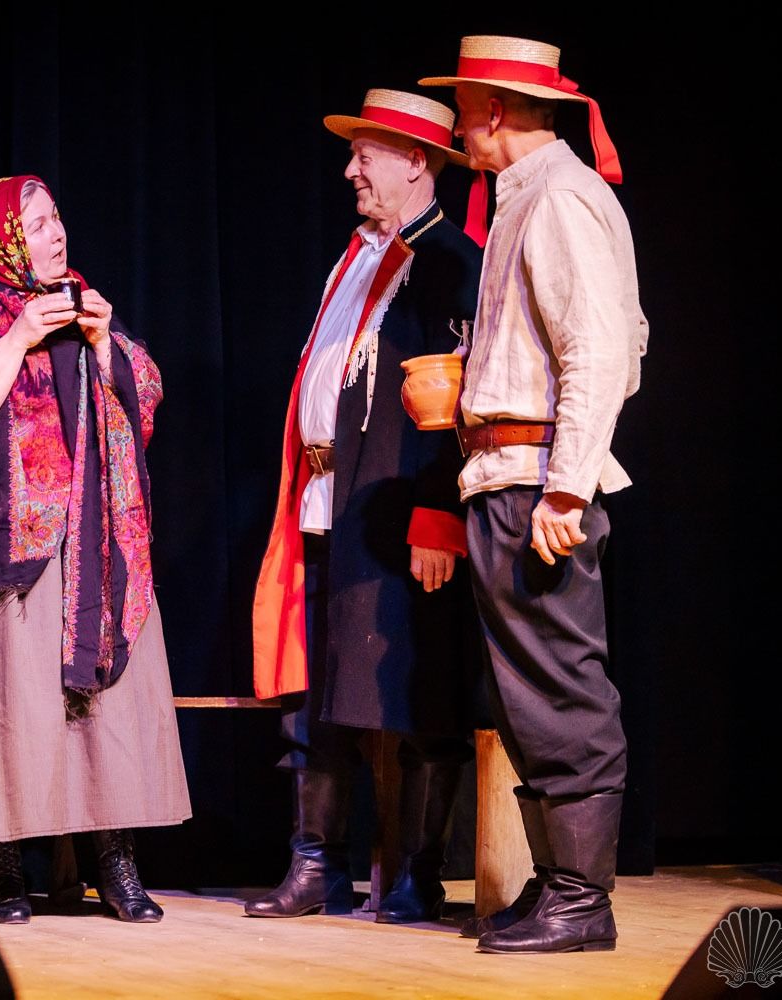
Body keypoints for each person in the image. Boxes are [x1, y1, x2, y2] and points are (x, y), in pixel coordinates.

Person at [0, 175, 191, 924]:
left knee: (100, 704)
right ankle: (1, 866)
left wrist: (105, 342)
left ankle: (114, 858)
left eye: (57, 218)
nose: (56, 234)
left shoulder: (82, 305)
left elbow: (145, 401)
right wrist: (19, 336)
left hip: (89, 535)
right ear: (1, 239)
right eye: (37, 224)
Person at [419, 35, 647, 953]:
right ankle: (561, 883)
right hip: (506, 476)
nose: (457, 126)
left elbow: (605, 347)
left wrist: (566, 487)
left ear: (494, 109)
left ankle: (583, 898)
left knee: (560, 688)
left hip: (537, 486)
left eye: (462, 107)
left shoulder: (560, 196)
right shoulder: (526, 197)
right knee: (524, 697)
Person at [249, 90, 481, 924]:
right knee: (315, 693)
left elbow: (458, 405)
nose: (350, 169)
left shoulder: (450, 260)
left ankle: (419, 874)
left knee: (418, 691)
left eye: (366, 155)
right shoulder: (355, 258)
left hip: (399, 512)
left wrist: (437, 516)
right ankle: (316, 865)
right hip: (327, 500)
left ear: (417, 162)